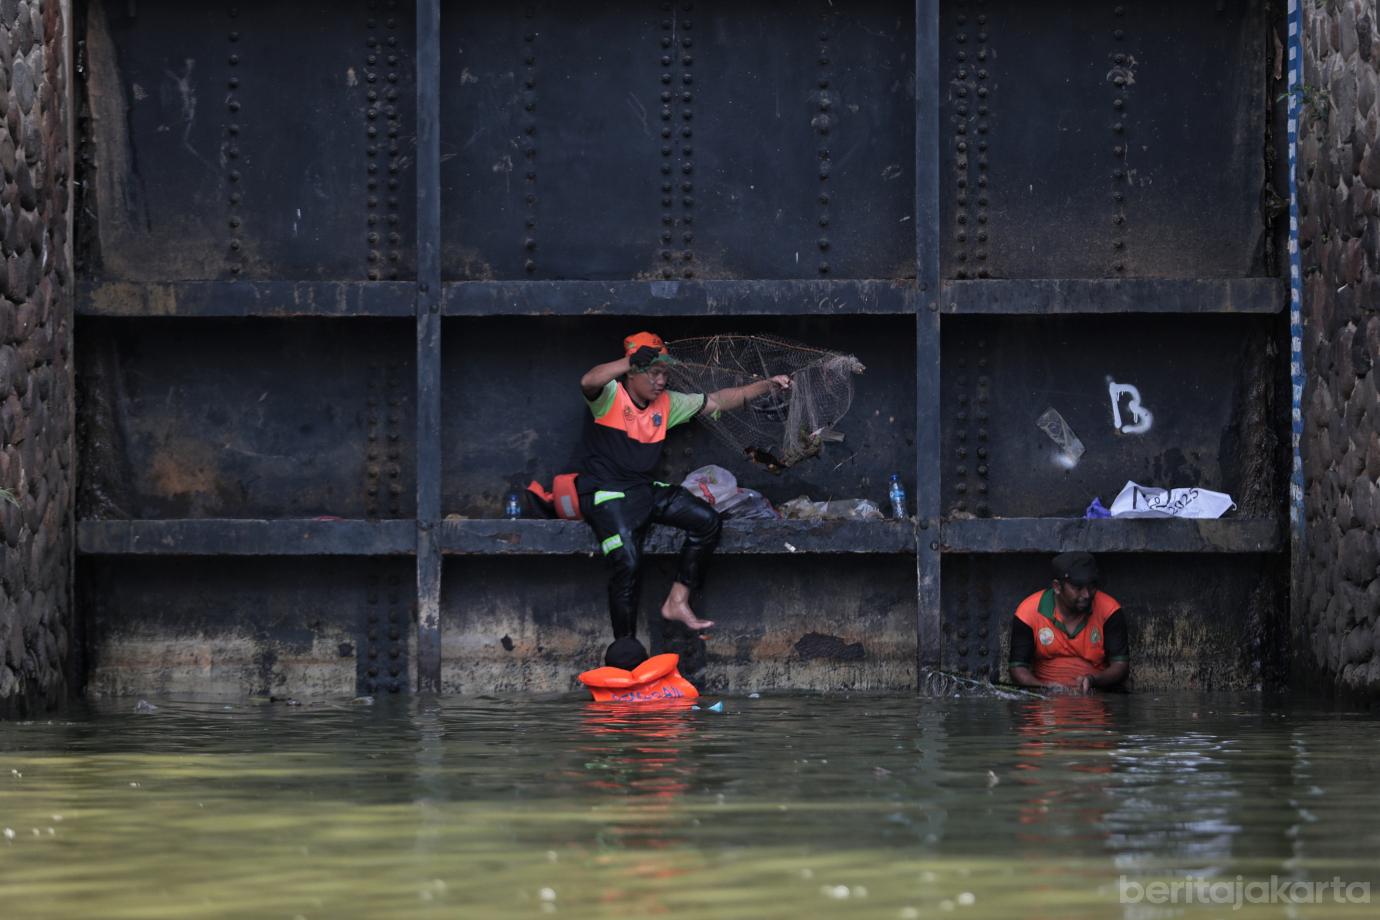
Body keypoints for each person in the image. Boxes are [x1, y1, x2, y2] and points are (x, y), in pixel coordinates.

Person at [570, 332, 790, 670]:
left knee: (706, 520)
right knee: (627, 561)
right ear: (633, 372)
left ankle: (678, 598)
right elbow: (589, 380)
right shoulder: (609, 397)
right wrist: (630, 361)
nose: (660, 381)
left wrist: (767, 385)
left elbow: (718, 400)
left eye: (664, 373)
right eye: (652, 373)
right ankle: (625, 658)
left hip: (644, 489)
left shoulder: (668, 403)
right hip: (606, 493)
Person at [1008, 551, 1130, 693]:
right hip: (1046, 703)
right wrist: (1043, 688)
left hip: (1094, 697)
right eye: (1078, 588)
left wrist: (1092, 680)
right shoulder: (1028, 612)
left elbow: (1121, 665)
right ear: (1057, 587)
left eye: (1091, 586)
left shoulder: (1109, 610)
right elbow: (1017, 668)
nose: (1086, 594)